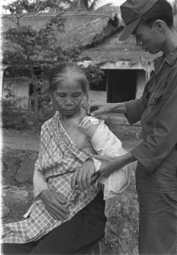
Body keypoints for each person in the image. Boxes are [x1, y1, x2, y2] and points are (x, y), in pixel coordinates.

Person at [71, 0, 177, 255]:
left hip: (164, 165)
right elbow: (145, 104)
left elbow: (163, 138)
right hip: (155, 166)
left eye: (139, 36)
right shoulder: (167, 63)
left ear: (159, 25)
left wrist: (112, 163)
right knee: (151, 243)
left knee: (156, 248)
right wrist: (110, 107)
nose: (139, 44)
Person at [2, 62, 132, 255]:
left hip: (85, 213)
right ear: (51, 95)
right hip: (49, 209)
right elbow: (40, 166)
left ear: (84, 94)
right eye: (61, 95)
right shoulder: (48, 127)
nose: (69, 101)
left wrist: (94, 162)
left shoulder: (91, 126)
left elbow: (122, 163)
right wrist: (44, 193)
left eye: (76, 95)